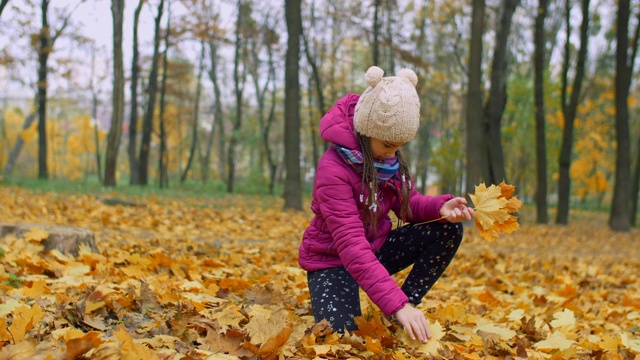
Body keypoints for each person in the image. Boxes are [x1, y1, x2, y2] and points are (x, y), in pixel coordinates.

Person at [298, 66, 475, 343]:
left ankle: (406, 306)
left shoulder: (389, 160)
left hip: (375, 249)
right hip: (331, 261)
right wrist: (395, 302)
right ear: (367, 131)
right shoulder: (333, 170)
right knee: (343, 340)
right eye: (388, 144)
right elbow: (350, 244)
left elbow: (409, 205)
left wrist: (439, 209)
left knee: (447, 230)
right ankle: (398, 306)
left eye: (399, 146)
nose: (393, 153)